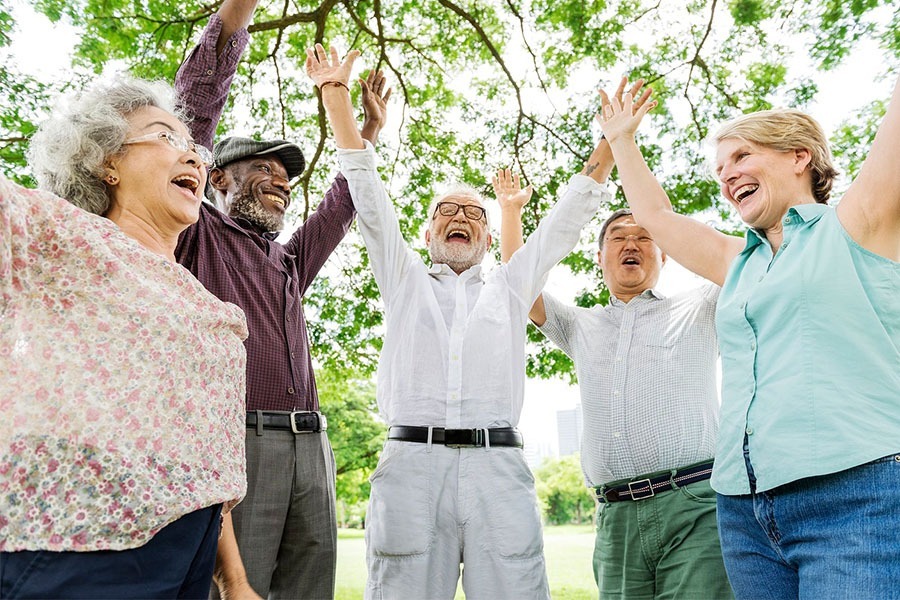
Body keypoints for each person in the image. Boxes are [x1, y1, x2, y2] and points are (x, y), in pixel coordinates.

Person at [305, 42, 624, 599]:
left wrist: (612, 141)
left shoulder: (510, 285)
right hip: (411, 470)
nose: (461, 217)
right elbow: (368, 192)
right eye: (446, 211)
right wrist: (335, 94)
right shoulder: (402, 278)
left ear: (483, 236)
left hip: (497, 473)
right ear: (427, 235)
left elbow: (567, 220)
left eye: (474, 213)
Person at [599, 75, 900, 598]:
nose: (727, 176)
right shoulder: (735, 263)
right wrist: (622, 140)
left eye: (740, 157)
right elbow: (656, 215)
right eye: (720, 170)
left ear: (800, 156)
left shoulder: (858, 225)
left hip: (856, 493)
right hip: (743, 509)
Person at [0, 76, 248, 598]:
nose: (195, 160)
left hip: (189, 556)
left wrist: (236, 579)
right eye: (166, 137)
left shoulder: (205, 303)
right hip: (81, 545)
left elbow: (202, 464)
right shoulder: (64, 235)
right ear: (106, 162)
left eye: (197, 150)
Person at [173, 3, 390, 598]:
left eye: (287, 178)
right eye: (264, 168)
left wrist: (366, 129)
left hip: (312, 447)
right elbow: (192, 117)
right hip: (240, 442)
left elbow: (342, 203)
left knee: (310, 586)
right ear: (217, 178)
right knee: (238, 588)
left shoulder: (290, 261)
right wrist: (236, 17)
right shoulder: (197, 232)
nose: (281, 182)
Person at [499, 79, 731, 600]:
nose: (632, 244)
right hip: (616, 518)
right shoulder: (579, 323)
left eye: (643, 237)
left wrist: (622, 143)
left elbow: (677, 229)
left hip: (694, 505)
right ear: (599, 257)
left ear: (664, 252)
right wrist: (511, 212)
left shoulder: (701, 306)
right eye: (618, 239)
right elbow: (520, 281)